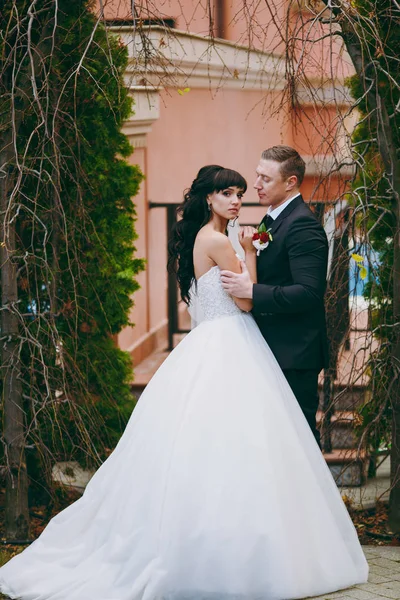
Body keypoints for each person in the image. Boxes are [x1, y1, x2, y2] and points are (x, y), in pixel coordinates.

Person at [0, 165, 368, 600]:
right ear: (207, 198)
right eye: (226, 193)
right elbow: (247, 302)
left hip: (209, 344)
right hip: (232, 344)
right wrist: (249, 252)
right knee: (241, 448)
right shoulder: (217, 241)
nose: (235, 200)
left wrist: (244, 247)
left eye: (239, 193)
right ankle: (240, 551)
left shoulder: (204, 237)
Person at [221, 146, 329, 447]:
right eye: (257, 175)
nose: (255, 184)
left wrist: (252, 292)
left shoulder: (302, 225)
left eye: (265, 179)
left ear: (291, 182)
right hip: (273, 347)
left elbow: (308, 292)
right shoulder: (273, 219)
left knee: (298, 441)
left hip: (294, 352)